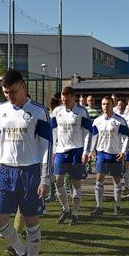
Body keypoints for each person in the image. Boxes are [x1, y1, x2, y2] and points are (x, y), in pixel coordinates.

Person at [0, 69, 52, 256]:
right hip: (5, 171)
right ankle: (20, 251)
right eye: (5, 92)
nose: (9, 96)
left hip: (30, 172)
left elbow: (46, 148)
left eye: (12, 92)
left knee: (31, 221)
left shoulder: (39, 111)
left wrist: (45, 178)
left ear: (23, 86)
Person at [51, 86, 92, 225]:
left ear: (73, 97)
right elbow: (53, 132)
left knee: (76, 183)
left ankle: (75, 213)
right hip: (61, 152)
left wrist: (86, 151)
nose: (65, 102)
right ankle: (65, 209)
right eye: (63, 99)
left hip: (77, 151)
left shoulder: (82, 111)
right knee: (58, 181)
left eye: (67, 99)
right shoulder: (57, 111)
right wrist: (53, 150)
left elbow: (88, 132)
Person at [90, 96, 129, 215]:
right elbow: (93, 138)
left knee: (117, 181)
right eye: (103, 104)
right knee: (99, 179)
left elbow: (126, 137)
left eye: (108, 104)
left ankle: (117, 206)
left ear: (113, 105)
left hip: (115, 155)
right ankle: (99, 207)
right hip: (101, 154)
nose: (105, 106)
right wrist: (91, 151)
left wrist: (123, 152)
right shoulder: (97, 121)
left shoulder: (119, 120)